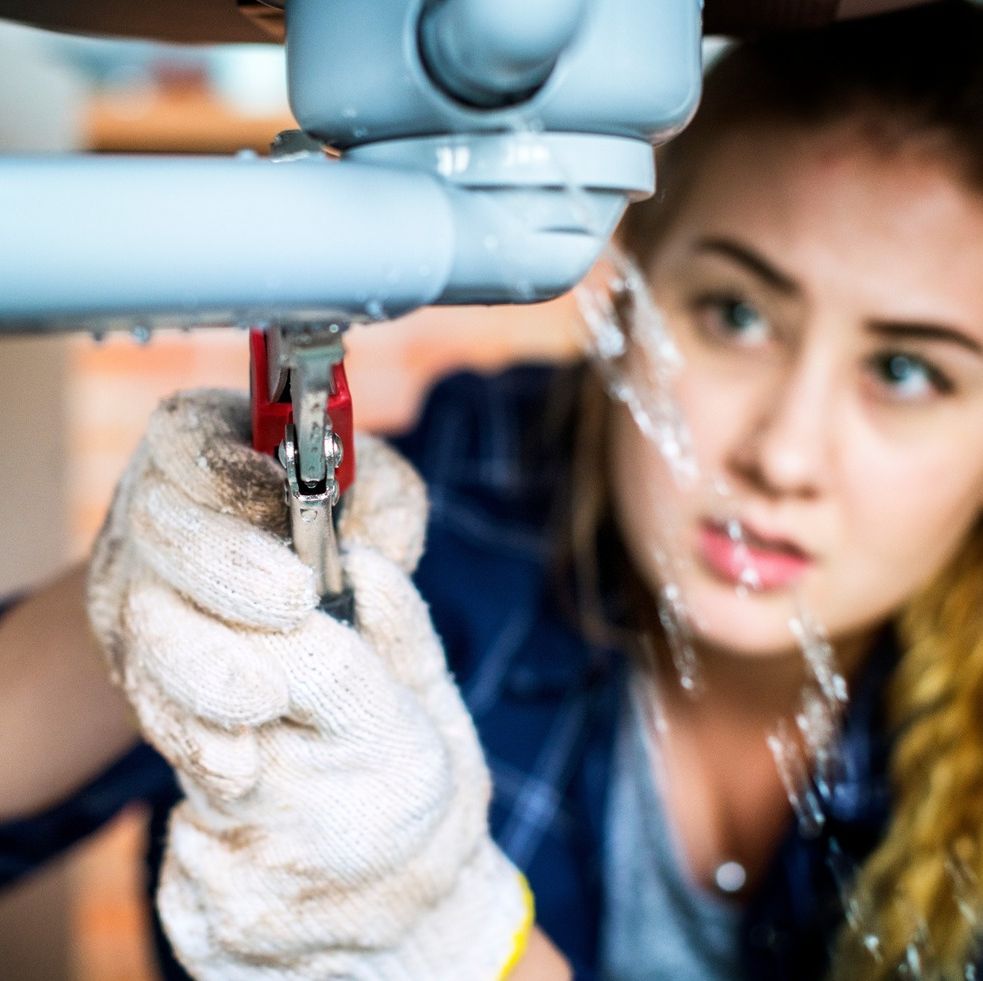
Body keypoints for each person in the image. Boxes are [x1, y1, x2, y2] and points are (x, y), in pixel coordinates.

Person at [2, 1, 983, 977]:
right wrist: (129, 607)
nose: (783, 454)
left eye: (905, 371)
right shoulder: (469, 498)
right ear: (631, 283)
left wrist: (467, 949)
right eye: (733, 313)